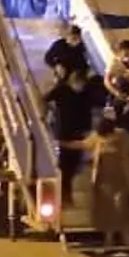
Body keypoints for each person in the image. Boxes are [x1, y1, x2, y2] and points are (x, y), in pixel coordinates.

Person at [43, 67, 106, 201]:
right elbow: (45, 98)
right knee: (65, 165)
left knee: (74, 165)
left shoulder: (86, 94)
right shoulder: (62, 90)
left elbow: (98, 103)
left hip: (79, 134)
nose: (81, 86)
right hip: (65, 133)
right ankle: (64, 193)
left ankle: (66, 192)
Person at [84, 116, 129, 250]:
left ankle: (122, 240)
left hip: (122, 180)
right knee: (110, 210)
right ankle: (114, 240)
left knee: (121, 209)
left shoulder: (123, 137)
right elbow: (86, 147)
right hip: (106, 181)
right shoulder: (103, 138)